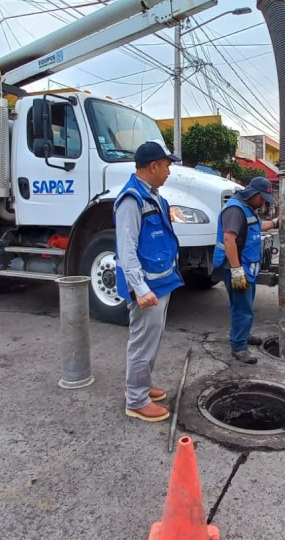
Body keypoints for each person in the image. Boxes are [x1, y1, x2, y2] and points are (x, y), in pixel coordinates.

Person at [114, 141, 182, 422]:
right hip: (147, 286)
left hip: (161, 281)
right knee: (142, 342)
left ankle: (143, 385)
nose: (169, 171)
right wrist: (140, 289)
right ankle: (136, 399)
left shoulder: (153, 196)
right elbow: (126, 249)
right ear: (153, 165)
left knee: (152, 339)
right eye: (166, 165)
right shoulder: (132, 200)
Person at [212, 177, 279, 364]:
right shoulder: (235, 210)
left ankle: (243, 334)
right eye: (262, 198)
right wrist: (236, 271)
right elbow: (228, 240)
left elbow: (256, 226)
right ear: (253, 194)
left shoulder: (247, 208)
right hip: (236, 267)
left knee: (245, 304)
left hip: (247, 267)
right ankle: (239, 347)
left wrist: (275, 222)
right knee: (243, 307)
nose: (264, 202)